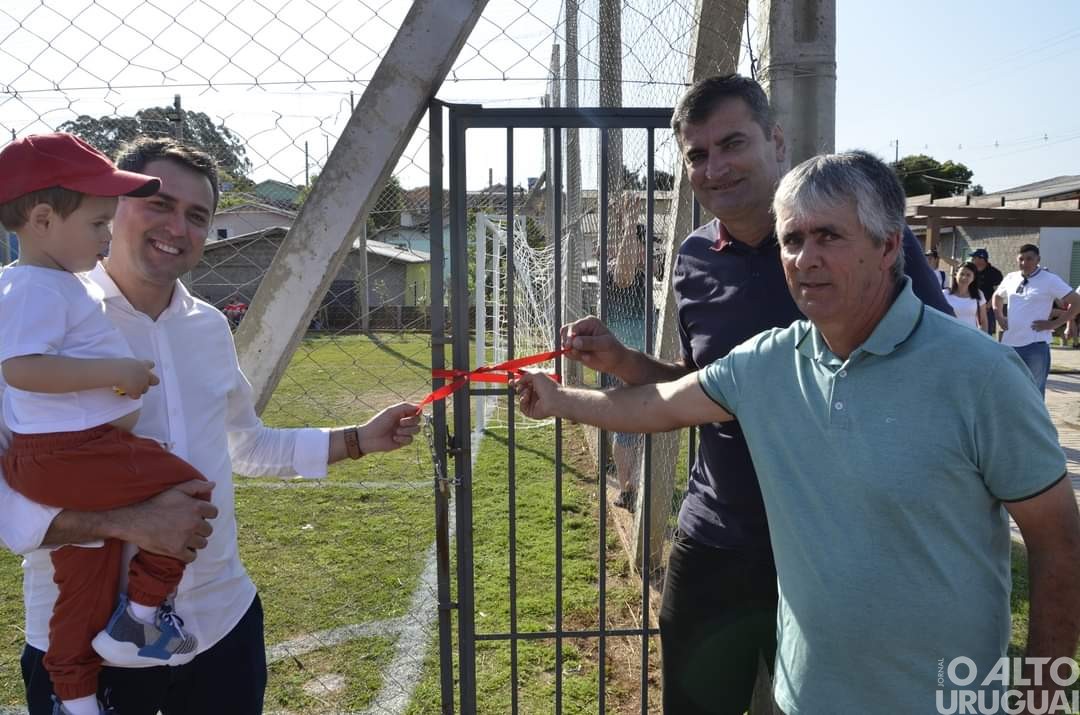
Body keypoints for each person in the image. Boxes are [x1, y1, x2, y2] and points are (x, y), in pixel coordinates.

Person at [518, 150, 1080, 714]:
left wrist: (1040, 699)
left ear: (888, 247)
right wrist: (560, 398)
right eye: (792, 240)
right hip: (805, 698)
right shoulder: (766, 363)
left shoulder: (980, 375)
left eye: (829, 237)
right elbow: (656, 406)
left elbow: (1059, 542)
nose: (805, 259)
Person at [559, 74, 954, 714]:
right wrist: (625, 361)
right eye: (696, 154)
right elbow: (703, 386)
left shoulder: (857, 241)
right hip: (720, 537)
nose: (715, 167)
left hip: (839, 546)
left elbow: (940, 366)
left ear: (776, 140)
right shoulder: (692, 259)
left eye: (732, 143)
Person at [0, 136, 422, 715]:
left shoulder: (208, 328)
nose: (178, 226)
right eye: (159, 203)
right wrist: (125, 522)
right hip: (83, 647)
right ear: (113, 204)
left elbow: (244, 446)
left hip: (223, 627)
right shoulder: (33, 313)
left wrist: (355, 440)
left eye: (197, 215)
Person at [0, 132, 214, 715]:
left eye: (197, 215)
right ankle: (143, 613)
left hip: (75, 462)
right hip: (74, 458)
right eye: (99, 222)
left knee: (86, 589)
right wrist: (115, 372)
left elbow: (245, 437)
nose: (104, 232)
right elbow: (21, 368)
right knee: (193, 490)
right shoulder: (34, 288)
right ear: (43, 219)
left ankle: (77, 695)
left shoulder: (55, 288)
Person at [992, 243, 1080, 395]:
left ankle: (1034, 420)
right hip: (1010, 344)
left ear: (1038, 259)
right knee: (1007, 389)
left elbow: (1077, 302)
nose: (1024, 263)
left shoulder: (1050, 279)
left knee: (1034, 392)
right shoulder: (1011, 277)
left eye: (1029, 259)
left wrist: (1055, 323)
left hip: (1035, 345)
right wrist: (999, 316)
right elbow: (997, 296)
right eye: (1021, 259)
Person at [606, 223, 648, 511]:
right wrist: (630, 224)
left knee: (645, 424)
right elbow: (623, 273)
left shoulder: (646, 274)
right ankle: (627, 489)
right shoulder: (620, 275)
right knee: (627, 427)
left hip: (648, 362)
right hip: (627, 364)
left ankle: (639, 482)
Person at [943, 260, 987, 331]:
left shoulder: (979, 295)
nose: (964, 278)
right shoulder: (944, 294)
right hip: (948, 336)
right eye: (961, 274)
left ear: (973, 278)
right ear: (955, 275)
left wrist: (983, 339)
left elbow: (983, 321)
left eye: (968, 275)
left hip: (970, 337)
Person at [970, 247, 1004, 335]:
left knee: (985, 334)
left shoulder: (995, 273)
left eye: (974, 258)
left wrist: (987, 306)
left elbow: (998, 292)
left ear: (981, 259)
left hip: (986, 309)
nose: (971, 260)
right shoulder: (971, 271)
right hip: (971, 307)